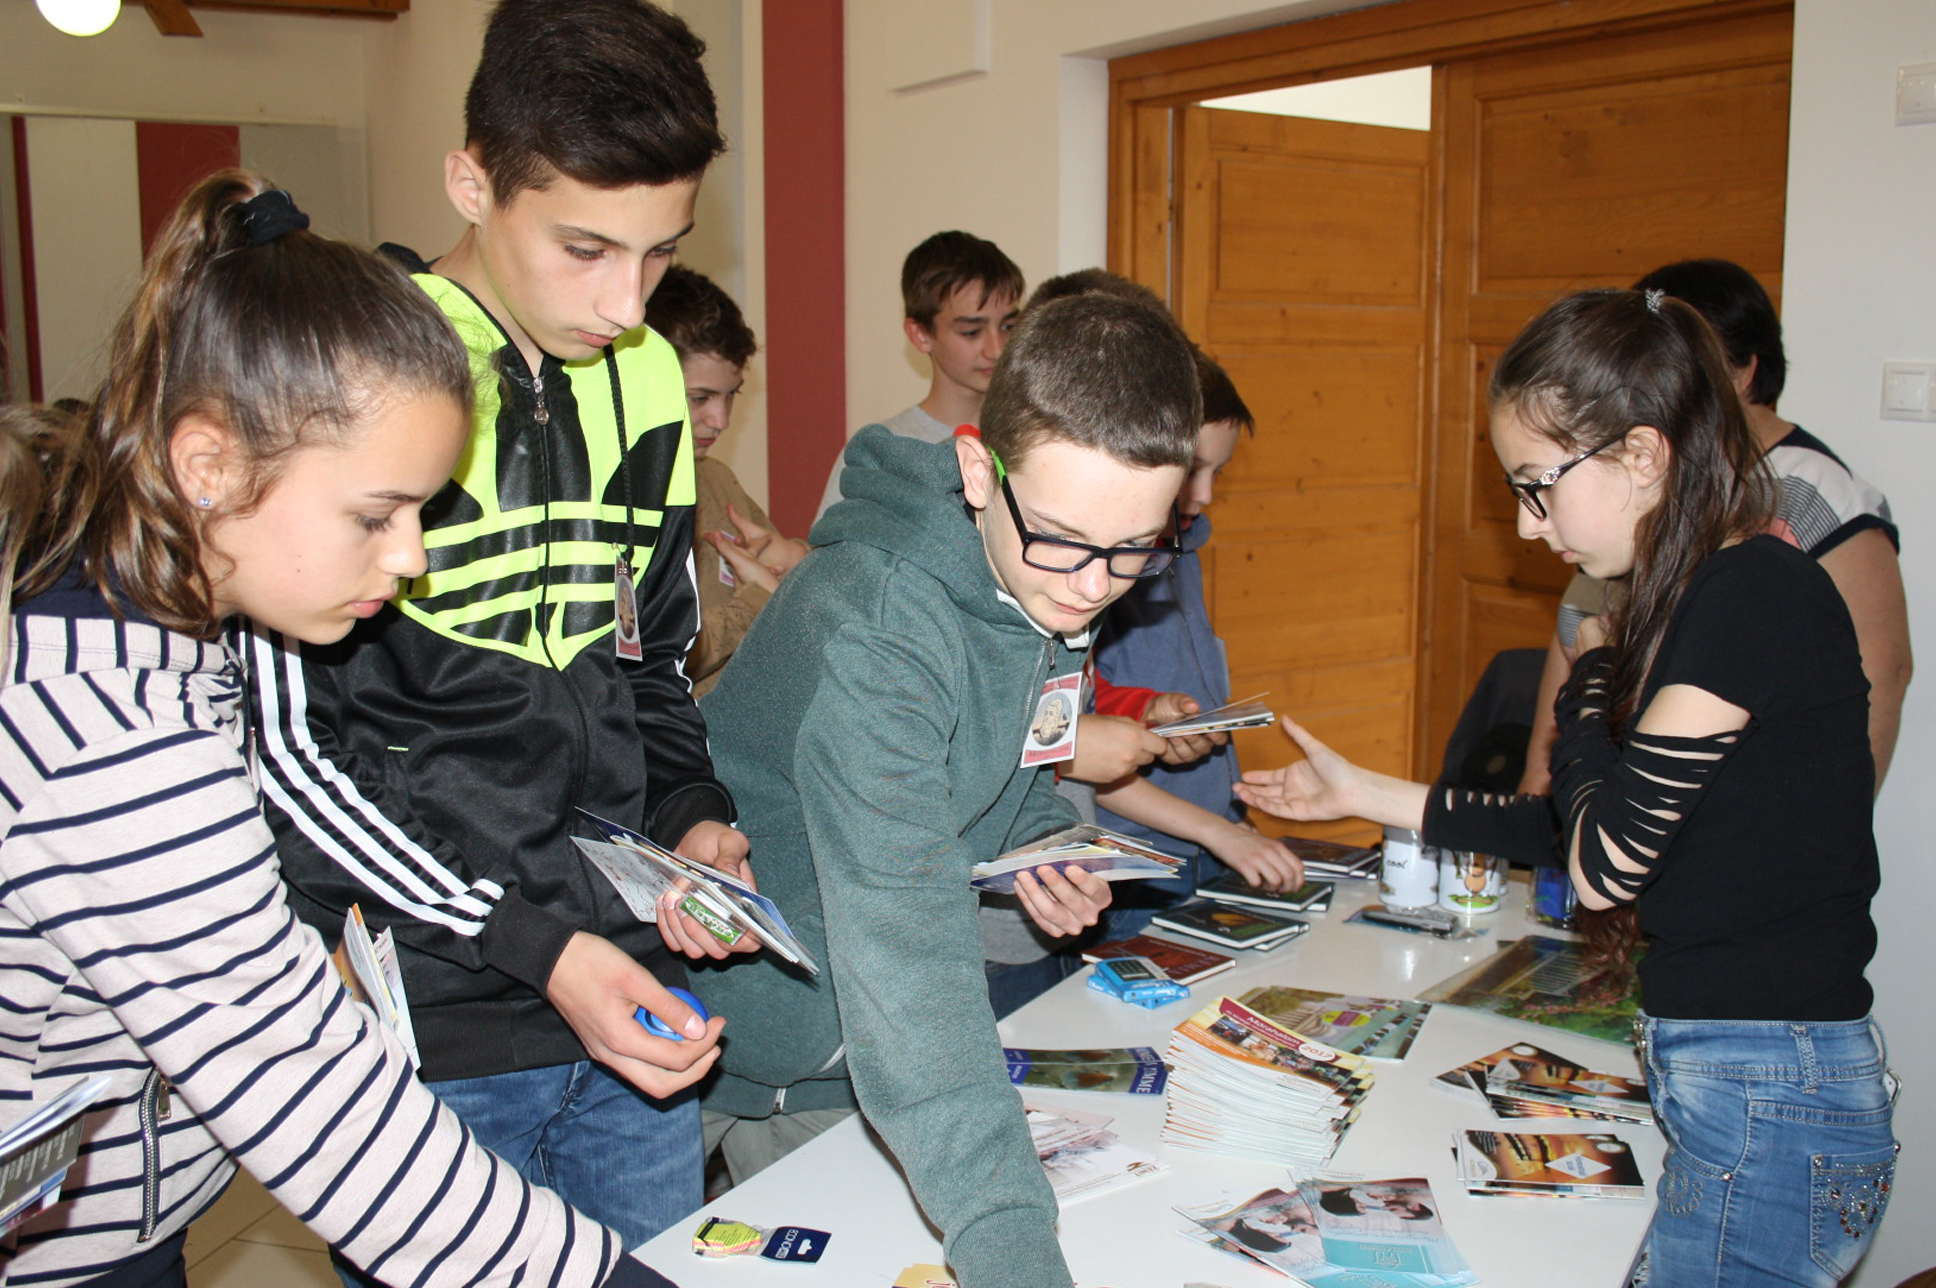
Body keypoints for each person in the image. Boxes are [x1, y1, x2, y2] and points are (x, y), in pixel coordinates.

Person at [0, 173, 684, 1288]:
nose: (409, 556)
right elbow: (307, 1096)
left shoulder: (195, 622)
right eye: (376, 515)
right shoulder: (108, 729)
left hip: (126, 1219)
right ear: (209, 467)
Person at [1239, 288, 1896, 1288]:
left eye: (1538, 487)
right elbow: (1573, 822)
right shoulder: (1712, 591)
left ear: (1642, 455)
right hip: (1746, 1076)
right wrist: (1365, 791)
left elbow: (1604, 864)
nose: (1525, 522)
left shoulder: (1750, 591)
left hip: (1769, 1086)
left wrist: (1589, 678)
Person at [246, 0, 743, 1257]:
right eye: (585, 248)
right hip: (442, 1014)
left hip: (628, 981)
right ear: (471, 183)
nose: (625, 302)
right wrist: (532, 943)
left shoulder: (645, 378)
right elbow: (295, 752)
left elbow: (649, 660)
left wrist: (691, 813)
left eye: (661, 254)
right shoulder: (351, 369)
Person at [693, 293, 1202, 1288]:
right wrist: (1014, 1244)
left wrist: (1042, 839)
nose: (1094, 584)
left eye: (1134, 547)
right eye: (1065, 539)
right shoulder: (878, 625)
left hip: (849, 1053)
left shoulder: (1049, 569)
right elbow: (906, 942)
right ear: (978, 471)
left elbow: (1006, 770)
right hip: (725, 1030)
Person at [1519, 258, 1910, 794]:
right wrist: (1538, 788)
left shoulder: (1812, 491)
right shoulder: (1634, 483)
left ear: (1745, 372)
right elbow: (1575, 637)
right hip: (1601, 792)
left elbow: (1882, 675)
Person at [644, 265, 809, 697]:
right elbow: (656, 657)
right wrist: (758, 601)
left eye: (731, 394)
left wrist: (796, 560)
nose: (721, 420)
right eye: (699, 398)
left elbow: (803, 611)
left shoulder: (715, 478)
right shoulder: (618, 496)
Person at [812, 230, 1024, 520]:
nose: (997, 349)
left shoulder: (1032, 436)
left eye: (1008, 326)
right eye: (971, 332)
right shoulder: (881, 452)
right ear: (920, 335)